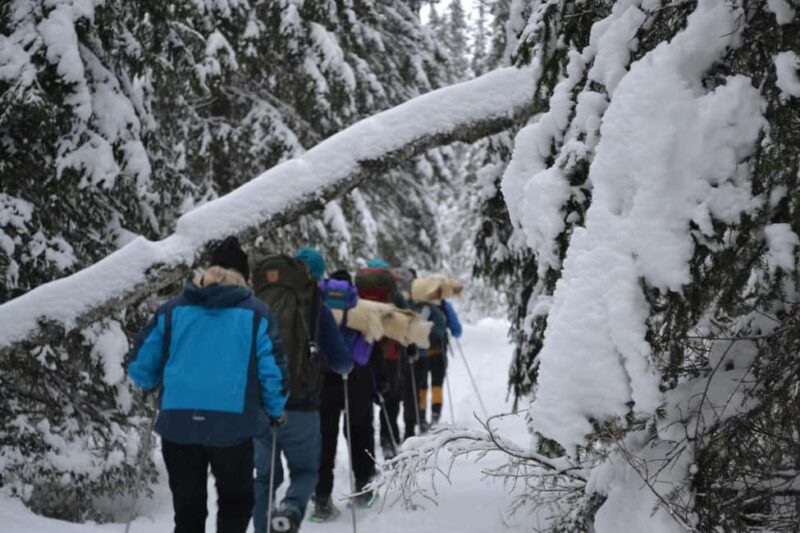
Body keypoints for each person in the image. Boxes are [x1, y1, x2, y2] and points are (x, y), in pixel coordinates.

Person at [128, 236, 288, 533]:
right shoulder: (256, 314)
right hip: (233, 425)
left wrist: (153, 381)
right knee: (236, 504)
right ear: (244, 276)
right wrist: (276, 411)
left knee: (188, 514)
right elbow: (272, 372)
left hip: (179, 423)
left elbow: (140, 369)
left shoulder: (172, 310)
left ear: (208, 270)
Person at [252, 248, 352, 533]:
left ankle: (263, 527)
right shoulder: (316, 305)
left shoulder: (256, 301)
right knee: (306, 470)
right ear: (317, 276)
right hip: (302, 404)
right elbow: (342, 360)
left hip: (261, 405)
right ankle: (291, 510)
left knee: (264, 477)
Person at [312, 270, 387, 521]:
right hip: (358, 378)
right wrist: (380, 385)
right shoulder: (361, 309)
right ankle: (364, 488)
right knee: (359, 431)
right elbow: (374, 347)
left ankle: (322, 498)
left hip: (324, 377)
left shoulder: (319, 306)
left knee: (325, 436)